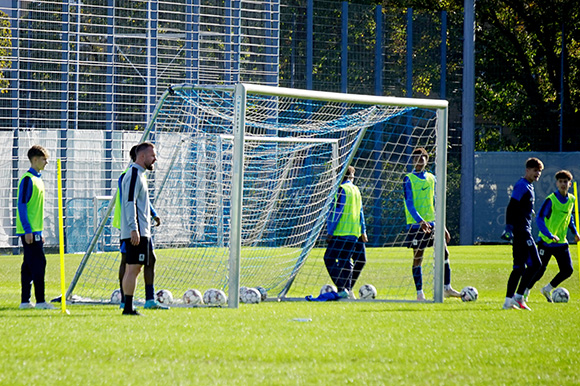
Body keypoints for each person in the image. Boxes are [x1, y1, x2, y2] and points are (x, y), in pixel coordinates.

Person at [403, 147, 460, 301]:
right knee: (418, 257)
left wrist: (443, 226)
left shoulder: (432, 178)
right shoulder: (408, 178)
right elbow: (409, 204)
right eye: (416, 158)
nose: (419, 160)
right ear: (413, 161)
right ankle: (419, 293)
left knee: (445, 252)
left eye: (422, 158)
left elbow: (436, 203)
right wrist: (420, 221)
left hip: (433, 224)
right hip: (416, 226)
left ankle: (447, 288)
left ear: (427, 160)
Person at [113, 145, 165, 310]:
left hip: (142, 230)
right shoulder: (133, 174)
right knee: (132, 268)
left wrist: (152, 214)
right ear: (142, 157)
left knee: (138, 266)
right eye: (153, 155)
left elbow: (141, 201)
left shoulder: (139, 175)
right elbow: (129, 202)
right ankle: (127, 305)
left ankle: (137, 303)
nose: (155, 159)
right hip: (136, 231)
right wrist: (133, 228)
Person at [525, 170, 579, 302]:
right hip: (546, 242)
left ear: (570, 184)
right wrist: (548, 234)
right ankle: (524, 291)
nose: (563, 184)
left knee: (567, 270)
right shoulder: (551, 200)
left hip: (561, 242)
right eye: (560, 182)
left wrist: (575, 232)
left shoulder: (571, 199)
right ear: (556, 183)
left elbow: (569, 218)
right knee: (539, 270)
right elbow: (539, 218)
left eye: (565, 182)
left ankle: (547, 289)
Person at [500, 157, 544, 310]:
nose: (537, 173)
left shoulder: (528, 186)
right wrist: (508, 227)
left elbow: (519, 206)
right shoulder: (522, 185)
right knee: (536, 264)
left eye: (539, 171)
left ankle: (508, 302)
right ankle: (519, 297)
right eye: (535, 170)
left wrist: (527, 210)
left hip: (522, 229)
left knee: (519, 267)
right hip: (522, 231)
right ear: (527, 170)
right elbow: (511, 206)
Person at [16, 145, 55, 310]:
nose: (47, 162)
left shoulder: (38, 179)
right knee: (39, 263)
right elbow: (22, 205)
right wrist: (28, 230)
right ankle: (40, 301)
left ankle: (25, 301)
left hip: (35, 231)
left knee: (28, 265)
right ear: (35, 159)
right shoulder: (27, 179)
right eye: (44, 159)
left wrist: (39, 231)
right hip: (29, 231)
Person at [323, 165, 367, 299]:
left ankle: (343, 288)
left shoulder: (341, 190)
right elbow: (360, 212)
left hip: (340, 232)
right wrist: (363, 231)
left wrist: (330, 231)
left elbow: (337, 211)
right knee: (345, 260)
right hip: (354, 233)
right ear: (352, 176)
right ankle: (346, 289)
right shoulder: (356, 190)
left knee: (329, 258)